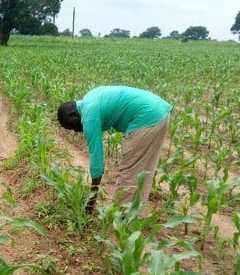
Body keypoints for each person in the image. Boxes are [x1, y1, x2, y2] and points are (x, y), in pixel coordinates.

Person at [57, 85, 172, 213]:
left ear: (73, 114)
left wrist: (91, 200)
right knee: (144, 169)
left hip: (145, 118)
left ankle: (122, 216)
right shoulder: (89, 98)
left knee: (129, 170)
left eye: (71, 126)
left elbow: (97, 163)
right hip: (160, 112)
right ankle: (136, 213)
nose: (76, 130)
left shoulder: (88, 116)